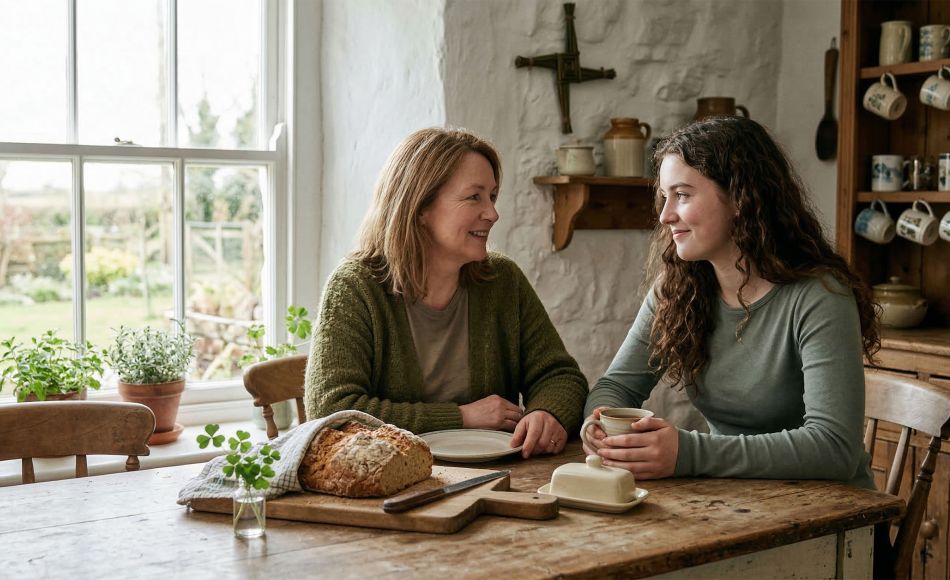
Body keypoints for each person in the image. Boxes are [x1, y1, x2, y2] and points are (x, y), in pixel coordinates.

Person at [583, 116, 879, 490]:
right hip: (733, 503)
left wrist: (688, 453)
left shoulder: (820, 296)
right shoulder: (676, 289)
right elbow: (615, 387)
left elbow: (835, 448)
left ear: (740, 198)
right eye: (665, 195)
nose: (665, 215)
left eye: (683, 195)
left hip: (835, 521)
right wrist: (598, 423)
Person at [305, 127, 587, 457]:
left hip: (498, 478)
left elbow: (560, 375)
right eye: (474, 197)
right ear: (421, 206)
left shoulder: (503, 280)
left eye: (492, 196)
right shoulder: (355, 287)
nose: (492, 213)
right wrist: (461, 417)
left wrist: (547, 412)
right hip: (390, 489)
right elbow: (331, 411)